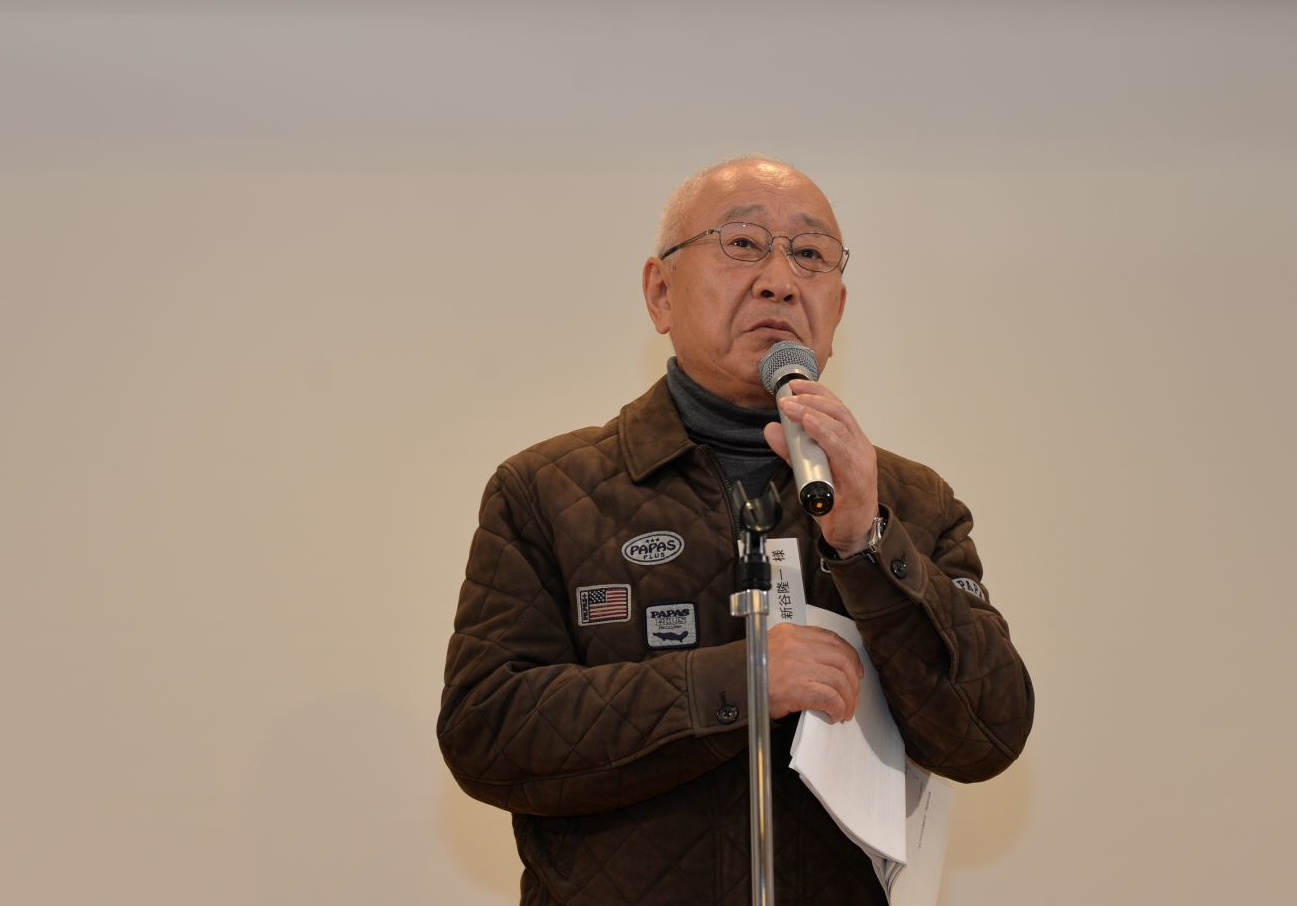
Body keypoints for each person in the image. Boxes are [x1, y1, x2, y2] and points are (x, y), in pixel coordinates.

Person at [438, 157, 1033, 905]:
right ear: (660, 292)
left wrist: (867, 541)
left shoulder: (909, 500)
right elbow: (485, 732)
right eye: (743, 243)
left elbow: (986, 736)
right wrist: (740, 682)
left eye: (809, 254)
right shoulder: (548, 491)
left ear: (837, 308)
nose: (780, 280)